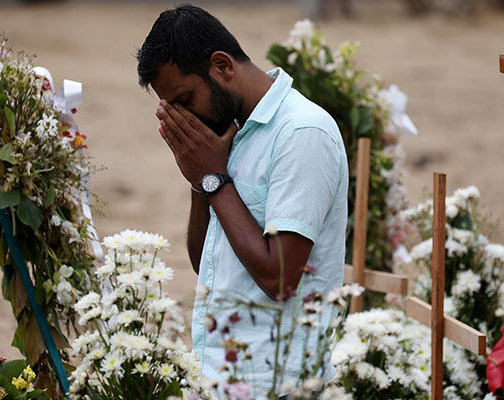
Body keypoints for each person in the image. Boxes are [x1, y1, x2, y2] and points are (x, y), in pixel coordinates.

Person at [137, 5, 348, 398]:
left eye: (185, 98)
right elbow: (208, 265)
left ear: (222, 66)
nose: (183, 116)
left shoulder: (302, 132)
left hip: (279, 384)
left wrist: (215, 179)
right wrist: (201, 179)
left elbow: (279, 277)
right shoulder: (230, 132)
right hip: (220, 378)